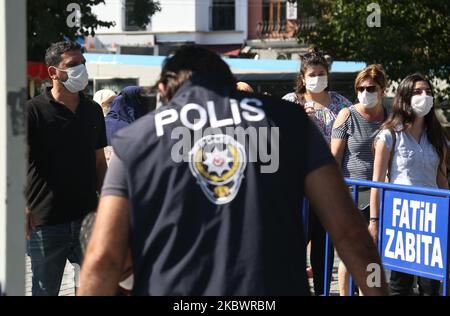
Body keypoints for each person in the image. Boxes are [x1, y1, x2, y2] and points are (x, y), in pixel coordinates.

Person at [79, 45, 388, 296]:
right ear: (229, 82)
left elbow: (103, 258)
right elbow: (349, 233)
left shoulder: (136, 139)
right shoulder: (291, 121)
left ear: (164, 89)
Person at [26, 41, 108, 296]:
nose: (80, 69)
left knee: (92, 289)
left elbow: (99, 162)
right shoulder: (33, 111)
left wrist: (108, 206)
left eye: (82, 63)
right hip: (46, 222)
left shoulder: (93, 110)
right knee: (45, 290)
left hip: (88, 219)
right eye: (72, 65)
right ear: (53, 73)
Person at [370, 73, 448, 296]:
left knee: (431, 287)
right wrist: (374, 222)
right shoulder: (388, 136)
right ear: (404, 96)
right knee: (399, 286)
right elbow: (377, 183)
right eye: (417, 92)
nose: (424, 96)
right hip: (402, 219)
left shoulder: (439, 138)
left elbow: (442, 179)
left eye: (428, 92)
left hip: (432, 220)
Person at [282, 47, 352, 295]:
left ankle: (323, 290)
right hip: (297, 188)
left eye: (321, 73)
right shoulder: (291, 102)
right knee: (295, 242)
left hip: (330, 188)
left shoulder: (342, 105)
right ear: (302, 78)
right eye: (312, 74)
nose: (317, 78)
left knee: (324, 247)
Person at [331, 64, 388, 296]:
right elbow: (333, 158)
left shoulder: (390, 116)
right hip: (351, 192)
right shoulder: (347, 115)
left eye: (371, 88)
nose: (365, 92)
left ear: (382, 89)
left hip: (380, 194)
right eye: (361, 88)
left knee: (373, 254)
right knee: (351, 252)